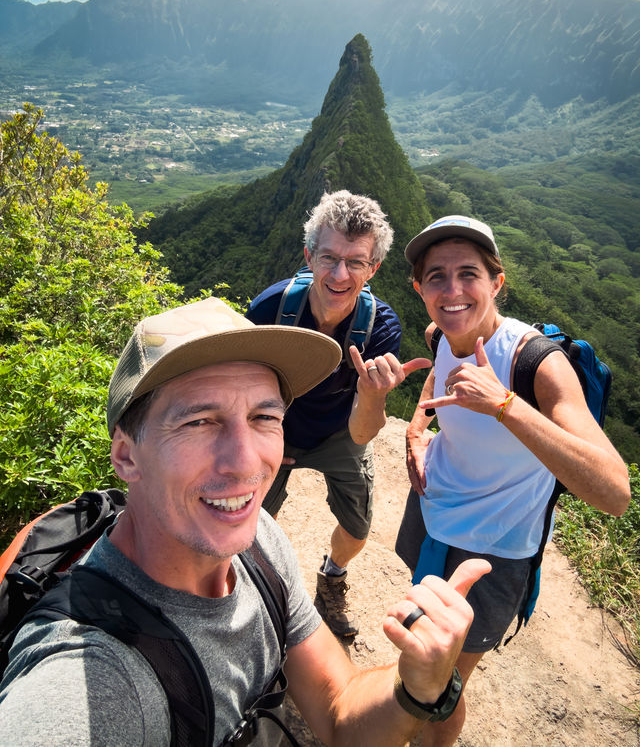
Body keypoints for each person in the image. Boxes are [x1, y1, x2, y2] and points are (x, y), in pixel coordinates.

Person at [0, 296, 489, 747]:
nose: (245, 462)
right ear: (127, 456)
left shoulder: (259, 545)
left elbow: (339, 711)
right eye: (198, 421)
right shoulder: (94, 677)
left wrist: (418, 684)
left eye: (263, 418)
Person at [399, 215, 631, 747]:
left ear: (496, 281)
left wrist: (504, 405)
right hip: (436, 511)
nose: (452, 291)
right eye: (436, 276)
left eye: (468, 274)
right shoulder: (442, 330)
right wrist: (416, 428)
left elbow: (615, 492)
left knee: (444, 684)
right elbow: (438, 370)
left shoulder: (537, 364)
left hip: (497, 547)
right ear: (420, 288)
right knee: (421, 637)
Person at [247, 190, 429, 637]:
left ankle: (333, 574)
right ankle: (255, 588)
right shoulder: (270, 310)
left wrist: (372, 394)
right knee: (248, 519)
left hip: (340, 432)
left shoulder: (380, 327)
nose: (340, 274)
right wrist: (268, 441)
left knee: (357, 525)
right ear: (309, 256)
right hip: (279, 426)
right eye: (329, 258)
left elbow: (364, 433)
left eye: (356, 263)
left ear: (374, 269)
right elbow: (243, 393)